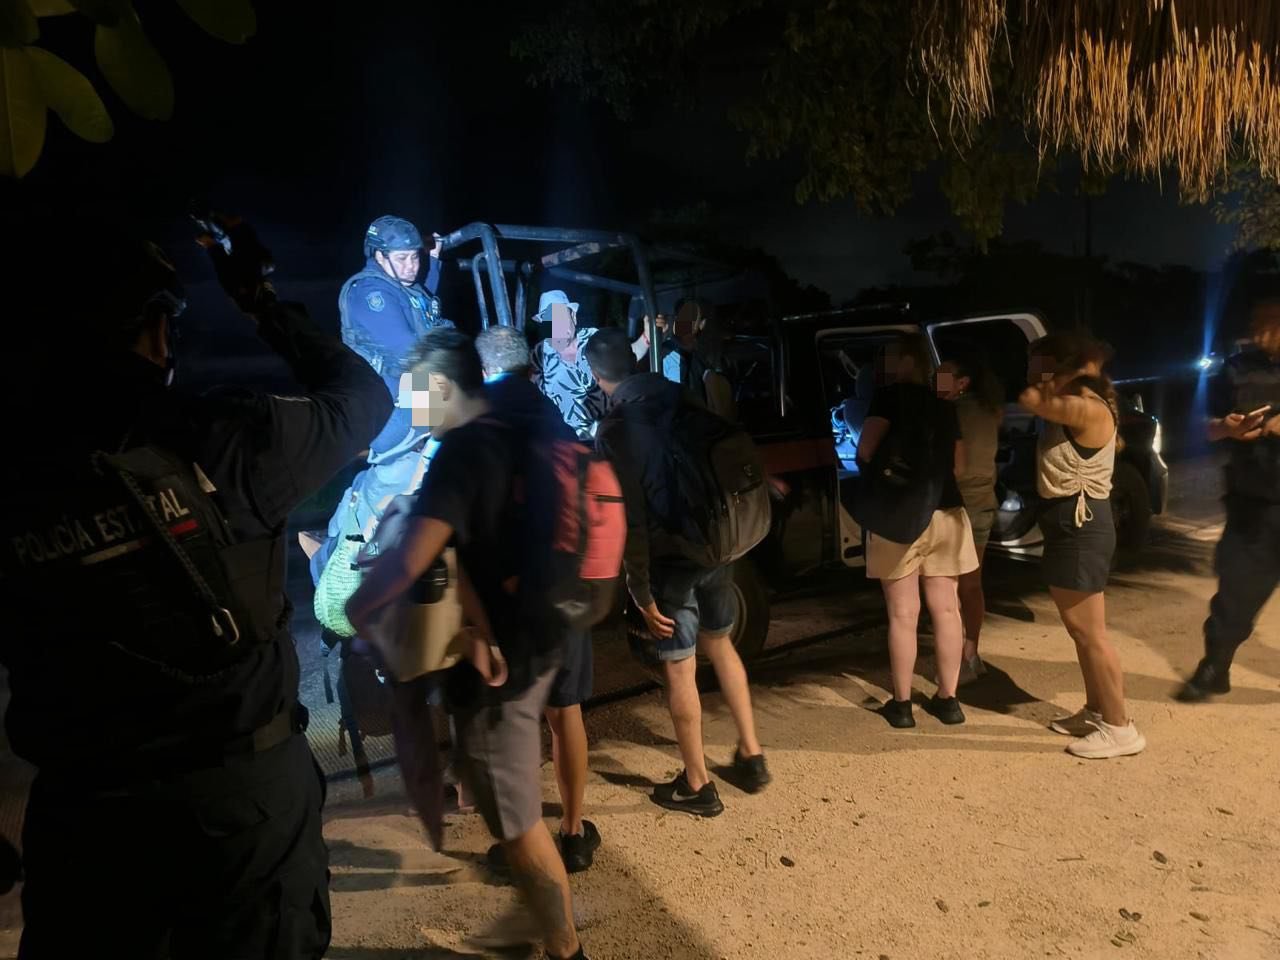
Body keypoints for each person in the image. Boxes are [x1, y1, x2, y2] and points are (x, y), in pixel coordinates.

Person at [0, 220, 393, 958]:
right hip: (237, 816)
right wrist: (260, 301)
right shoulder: (224, 436)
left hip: (84, 821)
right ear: (155, 332)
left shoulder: (16, 476)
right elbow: (362, 398)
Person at [346, 330, 589, 960]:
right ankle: (531, 918)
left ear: (444, 387)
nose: (410, 409)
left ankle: (565, 948)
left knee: (515, 817)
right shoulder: (508, 432)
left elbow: (415, 556)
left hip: (506, 656)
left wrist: (359, 605)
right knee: (497, 796)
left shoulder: (460, 451)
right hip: (530, 633)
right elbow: (469, 549)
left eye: (415, 397)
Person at [585, 328, 771, 818]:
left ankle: (696, 784)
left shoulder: (615, 428)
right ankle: (751, 754)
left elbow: (634, 519)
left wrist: (639, 591)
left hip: (672, 560)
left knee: (679, 669)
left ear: (595, 374)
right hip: (716, 544)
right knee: (721, 643)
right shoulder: (675, 394)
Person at [475, 325, 602, 873]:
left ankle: (519, 844)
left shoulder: (475, 424)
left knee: (511, 722)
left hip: (504, 598)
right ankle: (573, 832)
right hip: (565, 589)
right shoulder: (555, 419)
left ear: (483, 372)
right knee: (565, 712)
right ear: (530, 367)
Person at [1019, 334, 1146, 759]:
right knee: (1081, 631)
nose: (1031, 371)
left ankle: (1119, 727)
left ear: (1057, 368)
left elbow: (1030, 398)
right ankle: (1097, 710)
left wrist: (1075, 368)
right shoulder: (1079, 403)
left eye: (1037, 364)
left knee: (1091, 634)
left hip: (1082, 525)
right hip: (1072, 524)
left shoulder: (1085, 407)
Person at [855, 337, 977, 729]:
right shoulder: (942, 404)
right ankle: (949, 700)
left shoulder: (889, 397)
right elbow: (958, 466)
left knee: (903, 614)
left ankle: (903, 705)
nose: (884, 363)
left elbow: (865, 450)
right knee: (946, 609)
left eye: (890, 356)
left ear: (907, 359)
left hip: (899, 517)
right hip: (947, 513)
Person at [1178, 297, 1280, 702]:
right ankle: (1215, 667)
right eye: (1257, 320)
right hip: (1252, 501)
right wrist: (1226, 427)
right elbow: (1200, 427)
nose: (1260, 329)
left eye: (1271, 321)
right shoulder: (1236, 368)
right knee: (1236, 590)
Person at [936, 352, 1004, 681]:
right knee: (972, 586)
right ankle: (971, 653)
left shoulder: (948, 413)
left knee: (947, 588)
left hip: (955, 507)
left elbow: (952, 466)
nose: (935, 380)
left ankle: (953, 664)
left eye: (943, 375)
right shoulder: (992, 411)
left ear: (962, 382)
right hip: (984, 504)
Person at [531, 289, 648, 440]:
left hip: (607, 432)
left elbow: (626, 357)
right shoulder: (540, 352)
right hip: (563, 440)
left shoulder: (594, 337)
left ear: (573, 316)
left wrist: (647, 338)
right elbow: (530, 391)